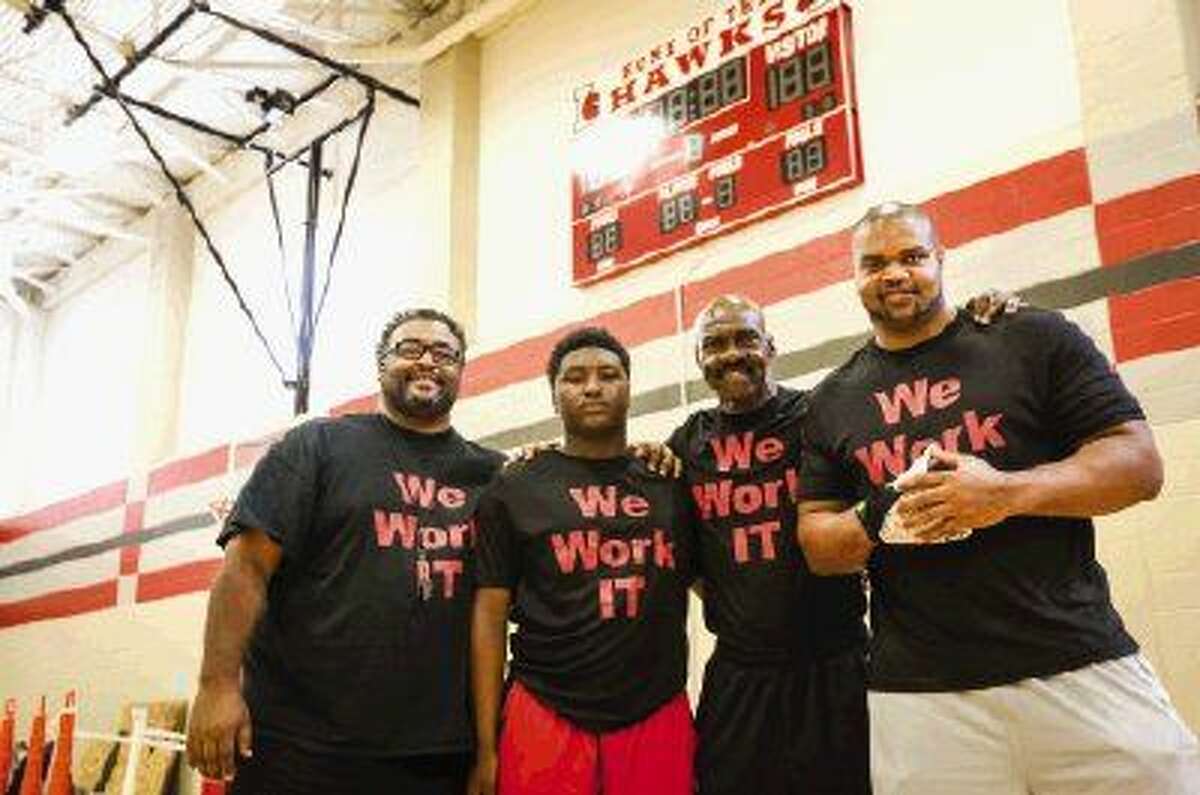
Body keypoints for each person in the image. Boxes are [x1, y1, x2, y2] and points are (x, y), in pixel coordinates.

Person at [797, 202, 1200, 793]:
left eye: (911, 256)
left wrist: (1005, 493)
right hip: (922, 699)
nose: (895, 274)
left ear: (940, 258)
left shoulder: (1031, 338)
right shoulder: (831, 399)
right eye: (874, 263)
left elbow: (1139, 466)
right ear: (854, 277)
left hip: (1077, 663)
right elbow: (818, 545)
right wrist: (875, 512)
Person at [185, 308, 505, 795]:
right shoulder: (317, 446)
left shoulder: (492, 476)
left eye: (445, 354)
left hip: (434, 755)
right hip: (299, 748)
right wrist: (216, 686)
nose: (427, 362)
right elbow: (246, 568)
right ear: (380, 364)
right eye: (409, 349)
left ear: (461, 371)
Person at [470, 327, 697, 795]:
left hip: (654, 705)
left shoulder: (671, 481)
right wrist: (485, 745)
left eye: (608, 374)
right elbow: (489, 615)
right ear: (554, 397)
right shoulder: (514, 487)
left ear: (629, 389)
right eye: (574, 378)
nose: (592, 386)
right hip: (545, 706)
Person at [667, 295, 870, 795]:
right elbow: (678, 548)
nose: (731, 353)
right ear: (699, 361)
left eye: (745, 339)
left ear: (771, 347)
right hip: (741, 674)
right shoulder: (687, 444)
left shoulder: (817, 415)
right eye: (714, 344)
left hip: (836, 661)